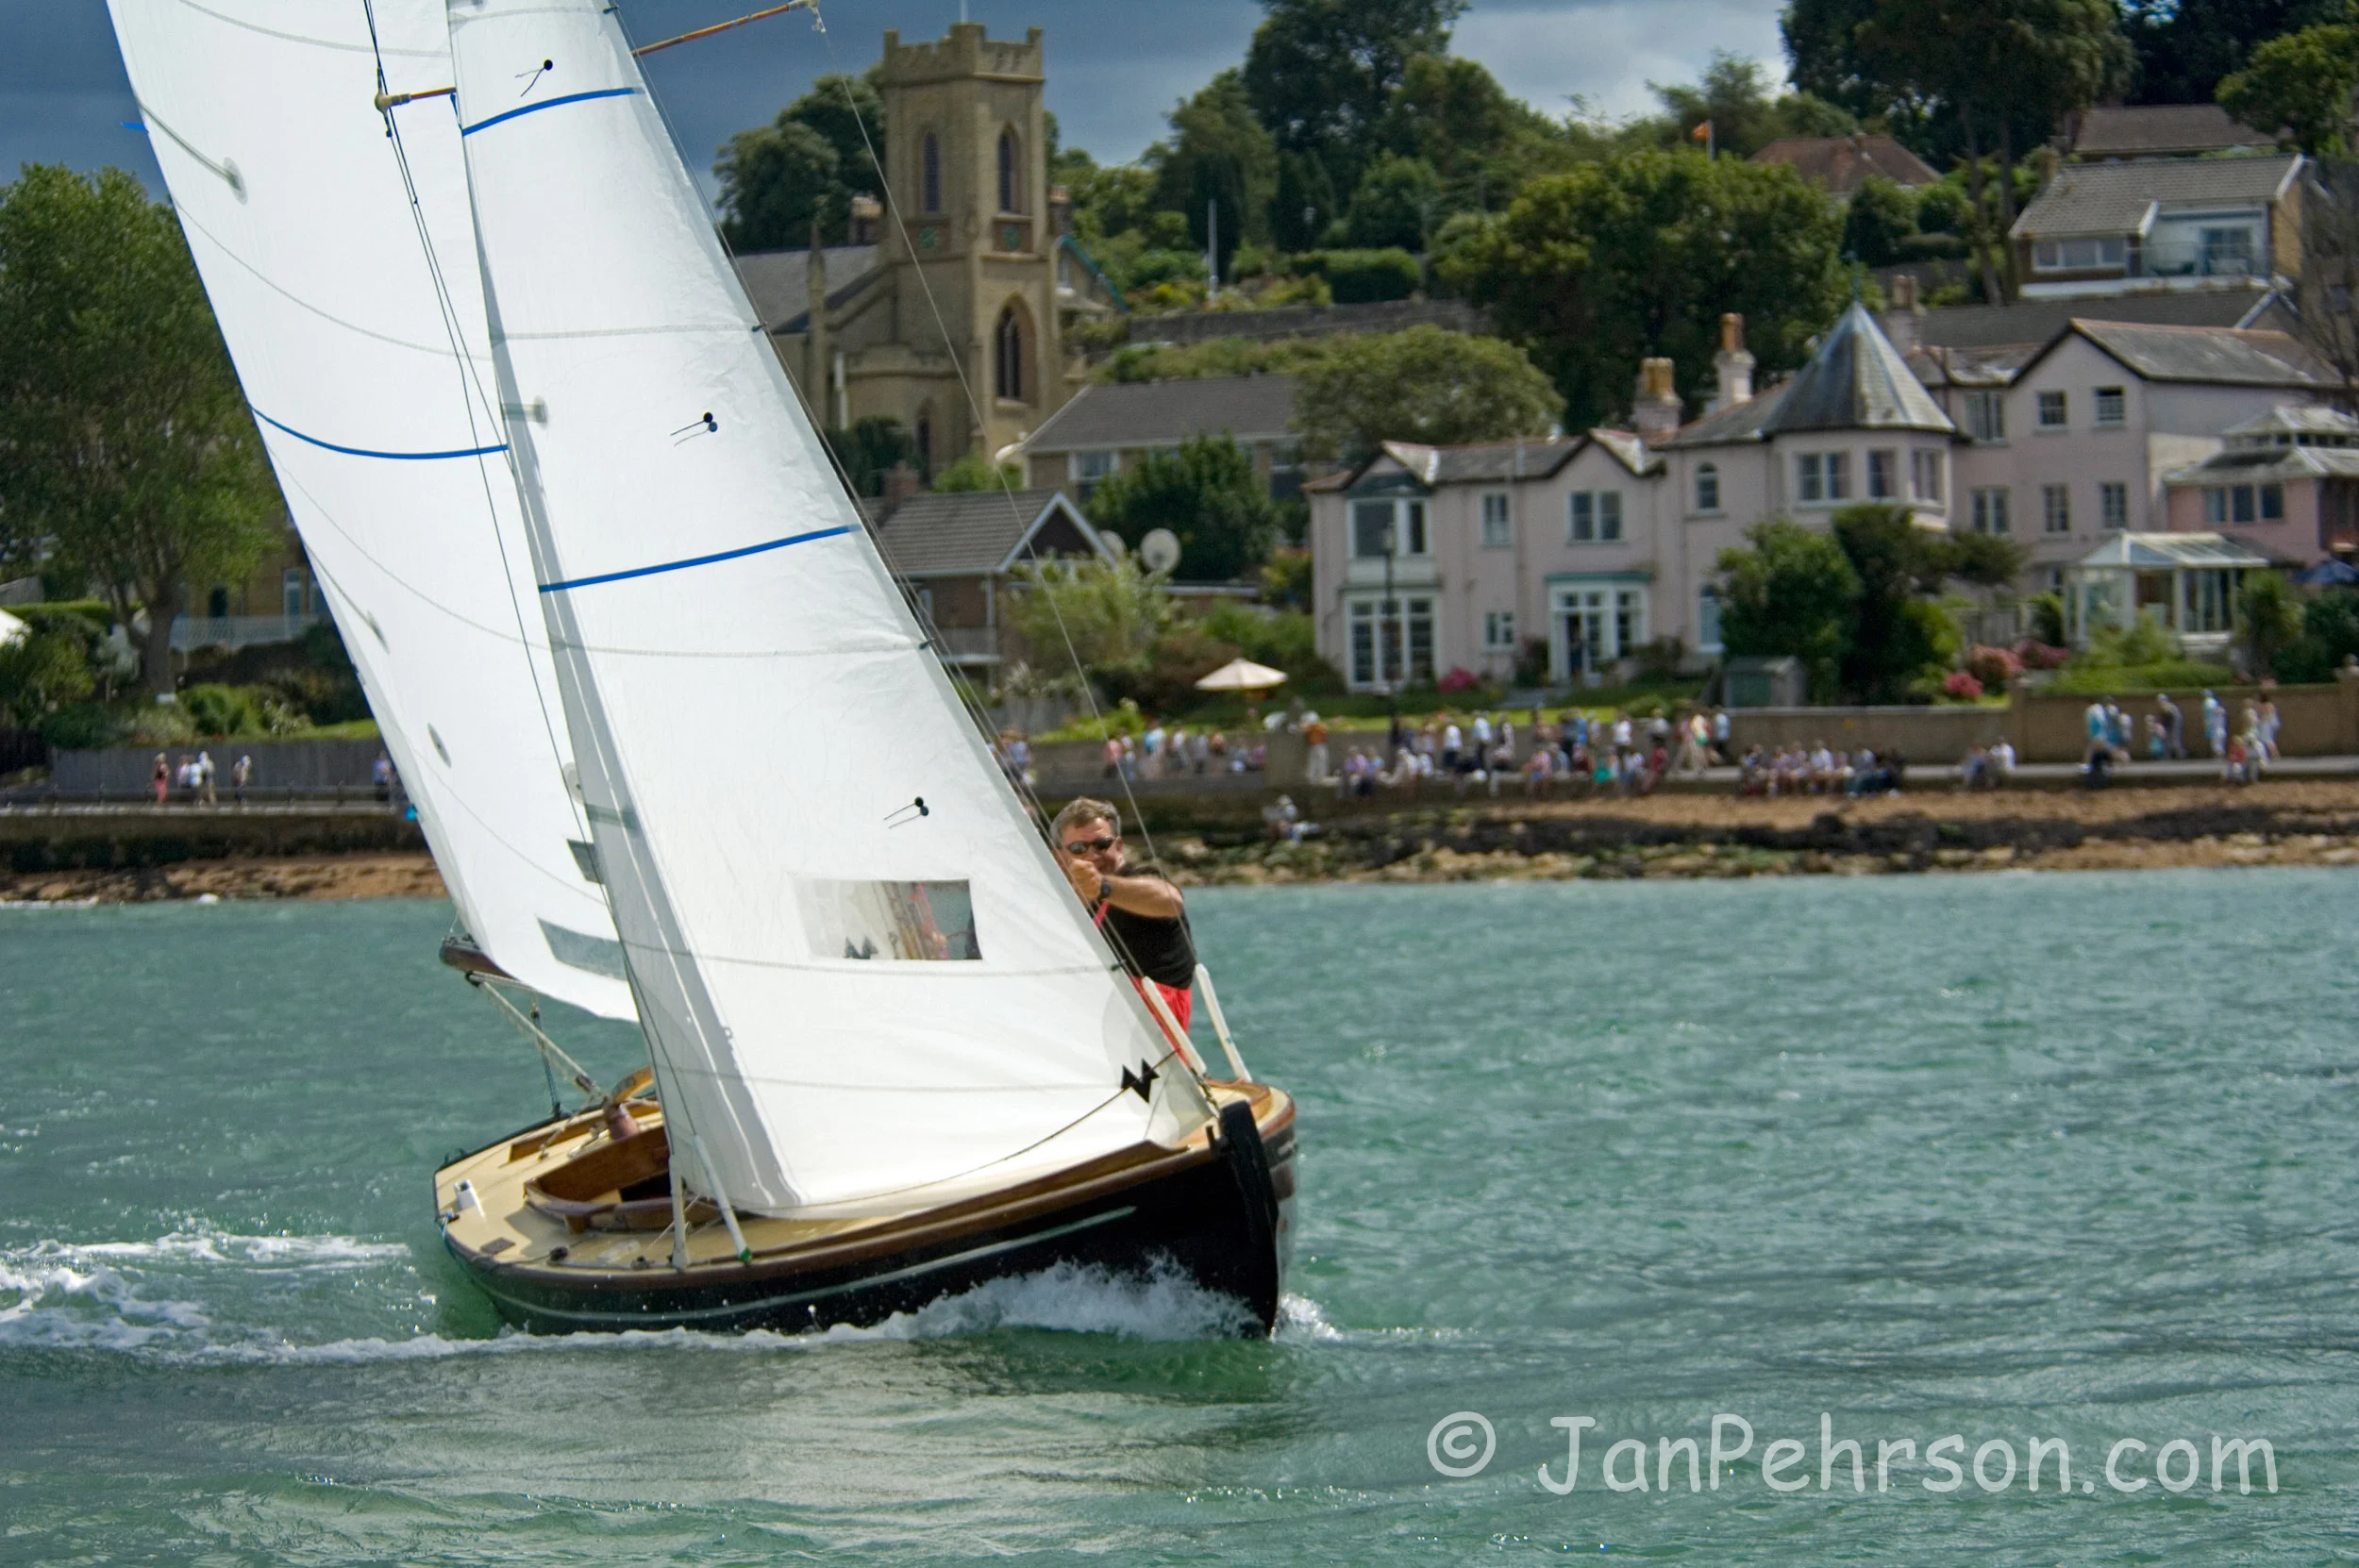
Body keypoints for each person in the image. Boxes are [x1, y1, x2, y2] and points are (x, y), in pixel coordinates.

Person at [1050, 798, 1197, 1031]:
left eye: (1101, 844)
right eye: (1079, 848)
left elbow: (1170, 900)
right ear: (1060, 858)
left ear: (1118, 846)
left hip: (1148, 1049)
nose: (1092, 855)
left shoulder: (1137, 884)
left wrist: (1103, 887)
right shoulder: (1059, 908)